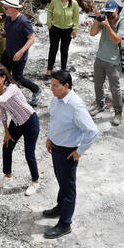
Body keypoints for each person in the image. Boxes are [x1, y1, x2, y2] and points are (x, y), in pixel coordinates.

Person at [43, 69, 98, 239]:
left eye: (55, 86)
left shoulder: (75, 106)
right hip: (56, 147)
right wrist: (50, 138)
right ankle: (60, 208)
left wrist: (79, 152)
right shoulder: (57, 98)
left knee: (68, 187)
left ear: (66, 86)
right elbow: (55, 120)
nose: (51, 88)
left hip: (68, 152)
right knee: (61, 180)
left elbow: (92, 131)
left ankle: (65, 224)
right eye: (51, 85)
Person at [0, 65, 40, 196]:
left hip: (30, 121)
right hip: (15, 122)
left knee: (29, 153)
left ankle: (35, 181)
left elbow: (3, 99)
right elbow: (2, 110)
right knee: (7, 147)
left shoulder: (12, 88)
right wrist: (6, 132)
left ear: (4, 77)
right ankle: (8, 175)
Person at [88, 0, 124, 126]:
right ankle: (100, 104)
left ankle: (118, 111)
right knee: (98, 84)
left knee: (114, 88)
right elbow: (92, 33)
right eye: (107, 12)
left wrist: (107, 26)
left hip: (113, 61)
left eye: (111, 12)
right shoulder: (104, 19)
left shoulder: (123, 22)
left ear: (116, 10)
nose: (109, 14)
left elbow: (117, 40)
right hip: (100, 57)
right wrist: (97, 19)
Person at [0, 0, 43, 106]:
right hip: (8, 52)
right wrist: (0, 34)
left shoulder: (23, 22)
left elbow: (32, 38)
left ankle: (36, 90)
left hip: (19, 55)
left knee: (18, 78)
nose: (4, 10)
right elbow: (8, 32)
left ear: (14, 8)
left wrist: (21, 52)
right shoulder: (8, 18)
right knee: (3, 73)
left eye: (6, 8)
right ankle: (7, 95)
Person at [45, 0, 79, 77]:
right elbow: (49, 11)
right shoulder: (55, 0)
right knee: (53, 49)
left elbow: (76, 17)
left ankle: (63, 69)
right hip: (55, 29)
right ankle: (49, 69)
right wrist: (49, 23)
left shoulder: (74, 3)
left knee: (64, 50)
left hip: (68, 30)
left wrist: (75, 30)